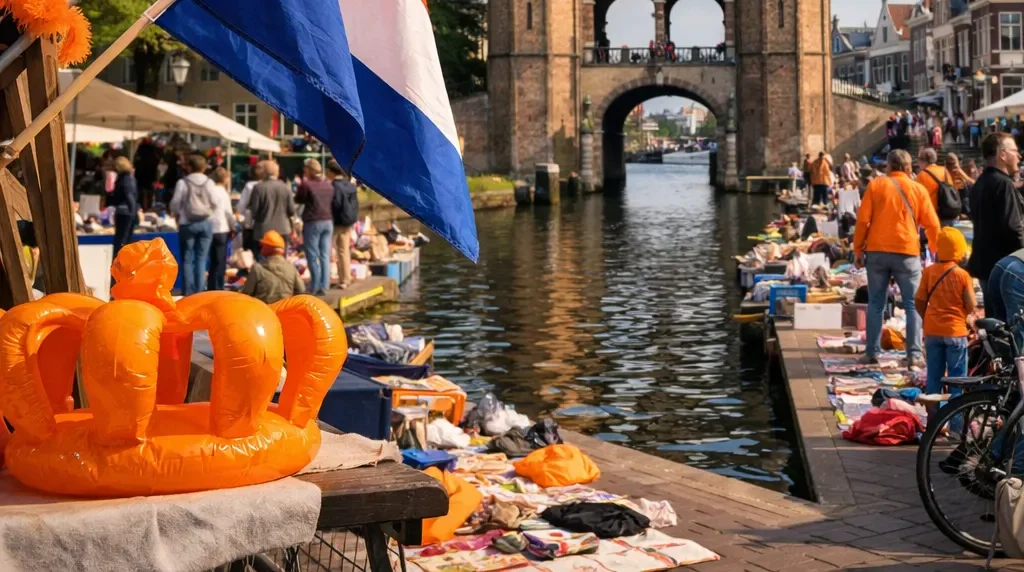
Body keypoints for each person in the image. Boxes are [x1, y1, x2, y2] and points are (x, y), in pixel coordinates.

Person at [853, 149, 941, 370]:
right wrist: (935, 251)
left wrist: (858, 249)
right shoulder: (918, 189)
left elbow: (862, 220)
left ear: (889, 166)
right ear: (909, 168)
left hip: (877, 251)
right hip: (907, 252)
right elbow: (932, 224)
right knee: (913, 305)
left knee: (876, 303)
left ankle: (871, 352)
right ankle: (914, 355)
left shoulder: (876, 185)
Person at [915, 227, 975, 399]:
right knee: (957, 381)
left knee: (934, 378)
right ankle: (955, 416)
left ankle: (934, 415)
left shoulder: (928, 272)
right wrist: (962, 316)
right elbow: (971, 304)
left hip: (932, 331)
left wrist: (927, 318)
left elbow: (919, 300)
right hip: (956, 332)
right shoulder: (963, 275)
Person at [969, 132, 1024, 314]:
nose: (1019, 156)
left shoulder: (980, 183)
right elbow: (1014, 228)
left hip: (987, 267)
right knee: (1013, 323)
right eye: (1014, 151)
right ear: (1002, 155)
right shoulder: (1003, 184)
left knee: (996, 323)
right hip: (1007, 269)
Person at [169, 154, 216, 296]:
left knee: (187, 260)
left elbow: (175, 204)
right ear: (203, 167)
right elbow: (215, 202)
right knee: (201, 259)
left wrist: (178, 214)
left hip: (187, 223)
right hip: (205, 223)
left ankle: (188, 293)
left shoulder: (183, 182)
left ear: (189, 167)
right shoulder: (209, 182)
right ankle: (200, 292)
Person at [294, 158, 334, 296]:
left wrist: (301, 184)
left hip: (313, 221)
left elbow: (298, 199)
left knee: (312, 254)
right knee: (325, 255)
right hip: (328, 221)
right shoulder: (328, 185)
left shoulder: (306, 184)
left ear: (309, 170)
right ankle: (325, 285)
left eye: (305, 168)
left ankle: (315, 286)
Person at [240, 230, 305, 305]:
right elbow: (301, 291)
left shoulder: (258, 269)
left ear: (268, 247)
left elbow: (246, 293)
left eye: (263, 245)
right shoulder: (291, 268)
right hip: (285, 310)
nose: (261, 248)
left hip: (264, 310)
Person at [248, 160, 295, 253]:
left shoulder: (258, 188)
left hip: (263, 231)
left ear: (263, 173)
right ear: (277, 173)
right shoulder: (286, 187)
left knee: (263, 259)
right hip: (283, 229)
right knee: (281, 259)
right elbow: (291, 210)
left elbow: (254, 212)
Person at [329, 159, 359, 288]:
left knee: (338, 251)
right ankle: (346, 277)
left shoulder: (333, 186)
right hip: (349, 221)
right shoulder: (350, 186)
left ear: (331, 172)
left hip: (337, 222)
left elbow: (335, 204)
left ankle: (343, 279)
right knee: (344, 250)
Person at [207, 167, 235, 291]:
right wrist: (233, 226)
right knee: (220, 261)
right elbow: (228, 212)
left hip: (209, 227)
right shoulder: (223, 193)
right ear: (225, 179)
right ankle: (218, 287)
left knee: (211, 261)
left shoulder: (209, 191)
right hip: (222, 228)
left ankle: (211, 285)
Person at [915, 147, 956, 227]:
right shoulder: (945, 171)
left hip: (931, 214)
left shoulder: (922, 175)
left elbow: (917, 198)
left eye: (919, 160)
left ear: (923, 161)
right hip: (947, 211)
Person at [109, 156, 138, 261]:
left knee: (120, 241)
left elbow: (128, 196)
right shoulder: (129, 179)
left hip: (123, 212)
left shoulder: (123, 179)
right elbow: (131, 197)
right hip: (128, 212)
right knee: (125, 241)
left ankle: (117, 263)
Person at [237, 162, 265, 254]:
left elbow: (243, 203)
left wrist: (239, 213)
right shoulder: (266, 185)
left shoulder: (249, 185)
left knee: (249, 249)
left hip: (250, 221)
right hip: (264, 221)